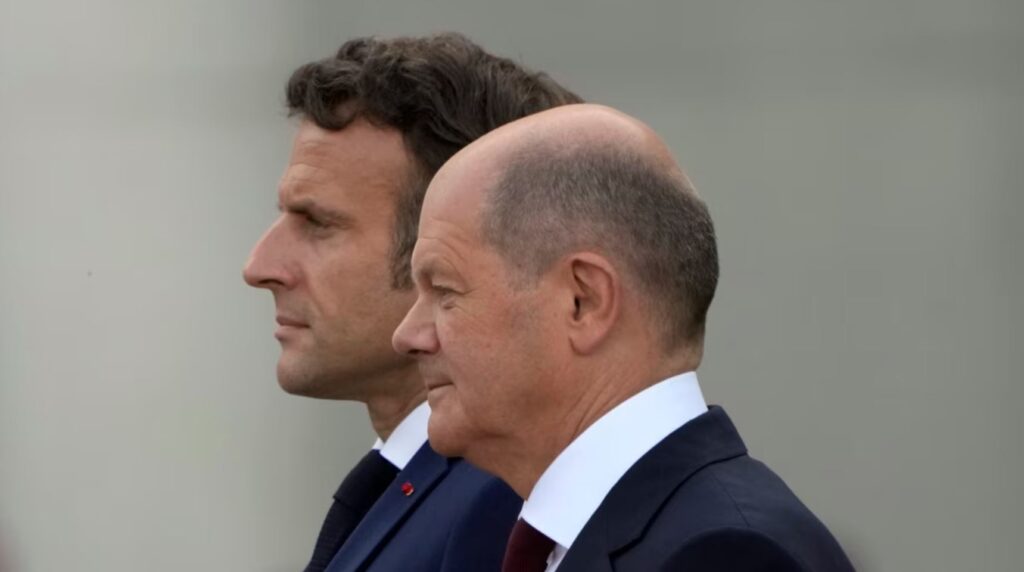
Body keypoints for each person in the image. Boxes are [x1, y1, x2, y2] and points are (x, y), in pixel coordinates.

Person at [393, 103, 855, 571]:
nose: (407, 335)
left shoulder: (723, 555)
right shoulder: (535, 538)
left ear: (584, 301)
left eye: (445, 291)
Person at [242, 33, 581, 572]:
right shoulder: (424, 486)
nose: (260, 267)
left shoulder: (505, 506)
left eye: (318, 223)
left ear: (443, 246)